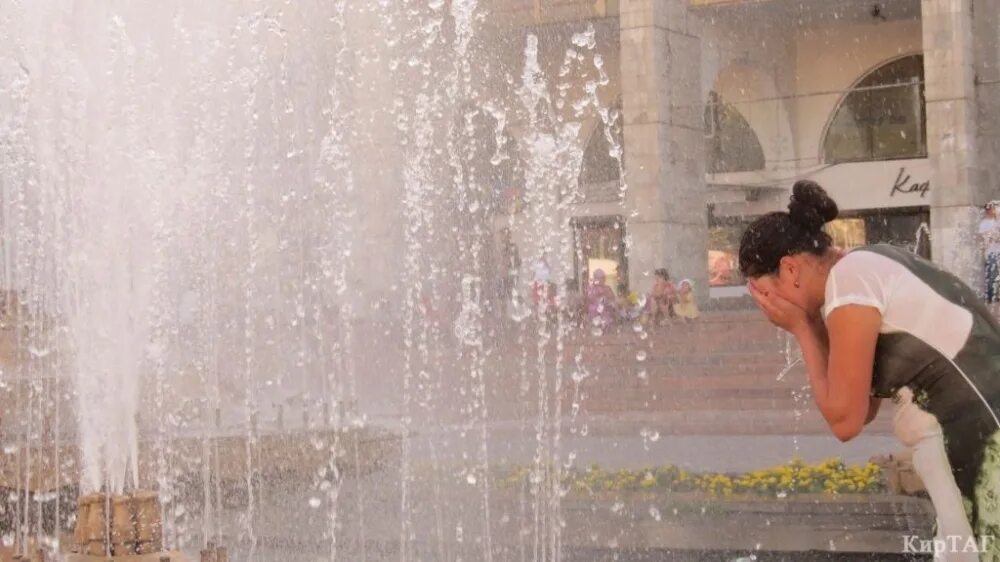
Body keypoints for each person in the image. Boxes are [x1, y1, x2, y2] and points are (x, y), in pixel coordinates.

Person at [739, 180, 1000, 561]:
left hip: (977, 450)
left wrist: (801, 328)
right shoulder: (865, 266)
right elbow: (864, 408)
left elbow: (845, 421)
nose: (769, 310)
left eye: (766, 295)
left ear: (790, 269)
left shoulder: (850, 282)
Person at [980, 202, 1000, 313]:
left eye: (991, 209)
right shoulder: (984, 223)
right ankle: (991, 300)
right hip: (991, 253)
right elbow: (983, 238)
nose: (989, 211)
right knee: (992, 277)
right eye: (988, 210)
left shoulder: (997, 221)